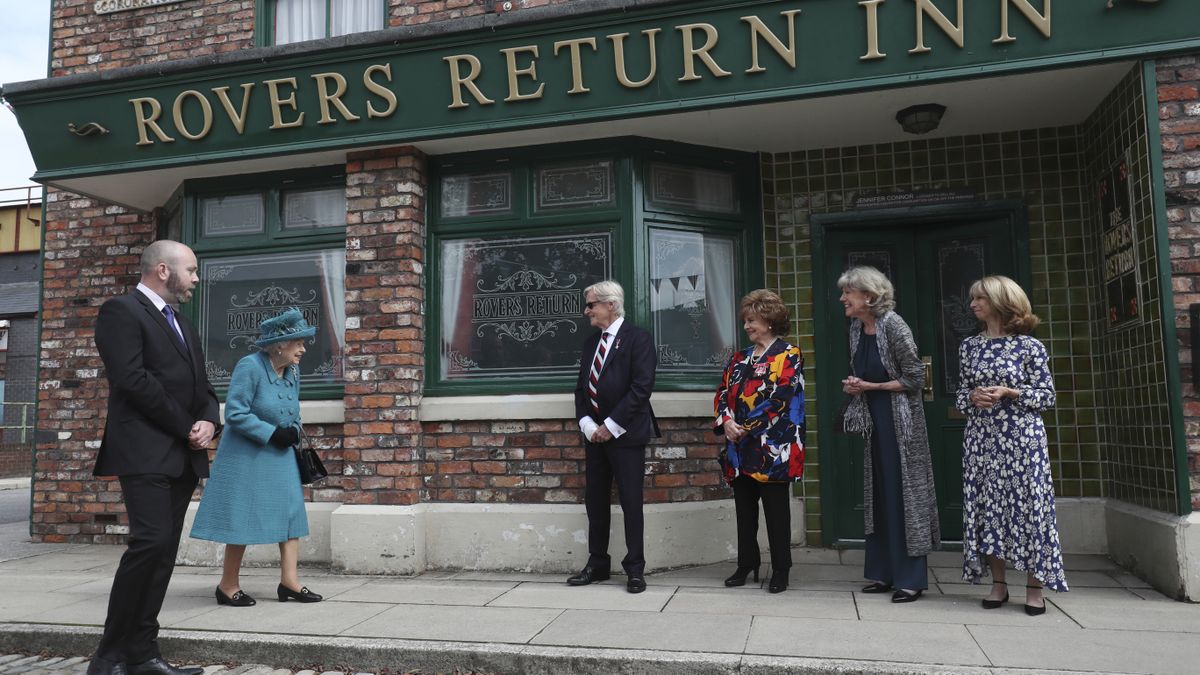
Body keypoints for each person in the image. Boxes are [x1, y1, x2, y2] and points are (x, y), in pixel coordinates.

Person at [90, 240, 218, 675]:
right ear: (163, 270)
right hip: (144, 451)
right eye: (193, 271)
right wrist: (185, 424)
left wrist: (209, 420)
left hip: (183, 456)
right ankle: (108, 658)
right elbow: (132, 380)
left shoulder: (181, 321)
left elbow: (204, 384)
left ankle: (143, 653)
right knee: (147, 546)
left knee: (163, 552)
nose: (197, 280)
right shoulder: (120, 311)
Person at [190, 307, 323, 606]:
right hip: (248, 455)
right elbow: (235, 413)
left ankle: (289, 582)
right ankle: (227, 585)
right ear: (280, 344)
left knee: (292, 516)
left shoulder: (292, 371)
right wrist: (272, 432)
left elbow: (292, 409)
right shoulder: (250, 367)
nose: (303, 349)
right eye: (298, 342)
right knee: (242, 519)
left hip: (281, 454)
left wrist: (293, 434)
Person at [957, 275, 1067, 616]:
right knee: (988, 507)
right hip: (981, 439)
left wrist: (1010, 392)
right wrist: (973, 397)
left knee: (1031, 509)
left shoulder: (1030, 347)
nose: (973, 304)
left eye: (981, 299)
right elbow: (960, 396)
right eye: (973, 298)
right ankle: (998, 585)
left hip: (1022, 440)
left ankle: (1035, 587)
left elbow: (1047, 396)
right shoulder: (969, 347)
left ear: (1001, 302)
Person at [838, 266, 939, 603]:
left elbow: (915, 378)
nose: (843, 299)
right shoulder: (856, 327)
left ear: (868, 295)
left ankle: (911, 579)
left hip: (900, 423)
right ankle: (883, 573)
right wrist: (856, 386)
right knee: (878, 496)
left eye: (848, 293)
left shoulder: (894, 326)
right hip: (874, 420)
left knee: (903, 495)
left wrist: (873, 386)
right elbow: (862, 370)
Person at [568, 280, 659, 594]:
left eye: (591, 304)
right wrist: (588, 424)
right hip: (595, 437)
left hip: (626, 435)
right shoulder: (590, 343)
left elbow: (641, 389)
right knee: (595, 501)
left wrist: (610, 424)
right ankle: (597, 564)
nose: (587, 310)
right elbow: (582, 388)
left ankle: (635, 569)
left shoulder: (638, 339)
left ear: (610, 304)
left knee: (631, 502)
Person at [714, 289, 806, 594]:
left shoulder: (788, 354)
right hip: (739, 448)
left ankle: (781, 569)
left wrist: (747, 426)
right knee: (745, 510)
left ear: (768, 320)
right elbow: (722, 393)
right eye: (745, 321)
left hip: (775, 447)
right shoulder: (739, 358)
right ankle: (746, 564)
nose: (747, 326)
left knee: (777, 513)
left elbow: (782, 397)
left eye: (751, 320)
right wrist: (727, 421)